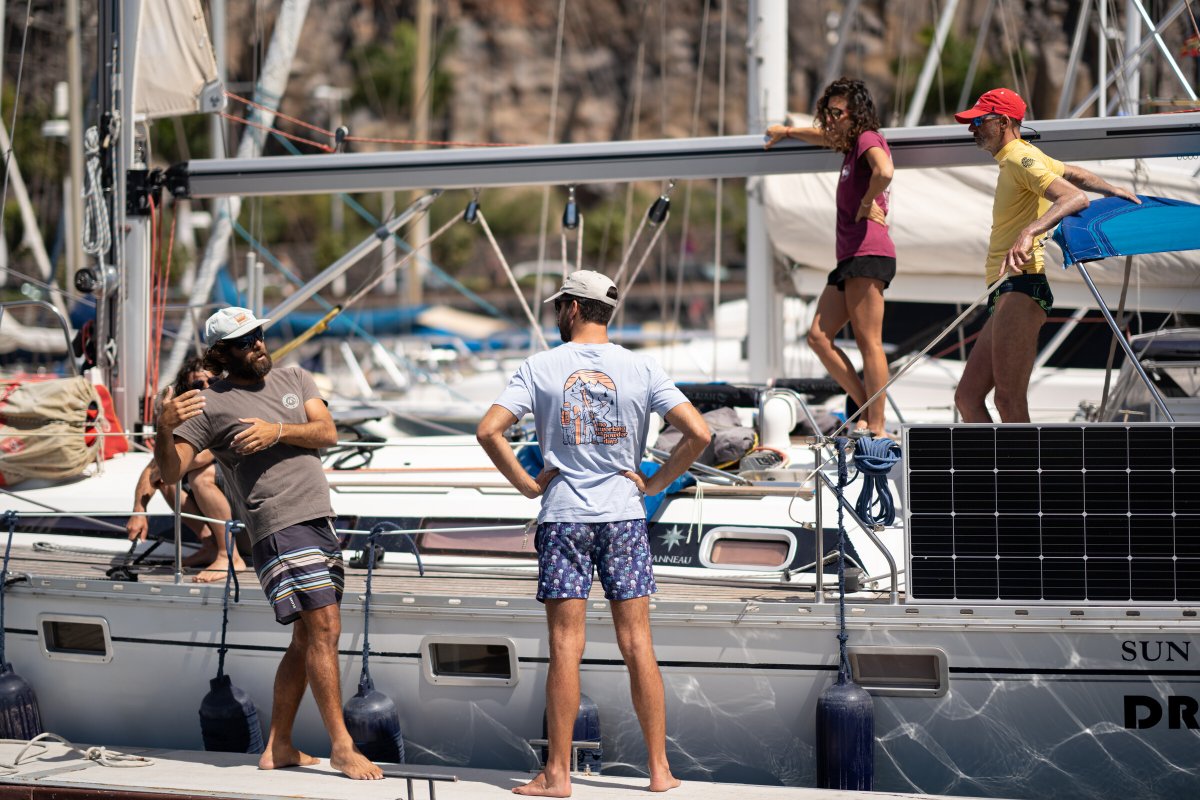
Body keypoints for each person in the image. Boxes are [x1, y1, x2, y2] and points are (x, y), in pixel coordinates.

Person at [476, 270, 709, 797]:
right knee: (637, 644)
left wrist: (529, 485)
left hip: (565, 519)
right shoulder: (642, 367)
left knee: (565, 647)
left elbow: (488, 429)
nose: (557, 314)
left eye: (560, 306)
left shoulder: (539, 366)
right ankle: (659, 771)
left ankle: (558, 775)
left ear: (574, 310)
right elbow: (699, 432)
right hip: (625, 517)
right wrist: (655, 481)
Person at [154, 307, 382, 781]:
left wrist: (276, 431)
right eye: (244, 341)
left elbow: (328, 432)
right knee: (325, 629)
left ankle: (278, 745)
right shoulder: (208, 403)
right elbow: (172, 472)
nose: (257, 344)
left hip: (319, 518)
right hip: (277, 524)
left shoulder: (295, 377)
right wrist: (162, 424)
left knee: (306, 638)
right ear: (221, 353)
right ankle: (341, 746)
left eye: (258, 334)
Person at [951, 88, 1140, 423]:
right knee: (967, 398)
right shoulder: (1024, 157)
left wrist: (1029, 232)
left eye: (980, 120)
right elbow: (1072, 173)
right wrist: (1110, 188)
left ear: (1004, 121)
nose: (973, 128)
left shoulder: (1020, 159)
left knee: (1008, 401)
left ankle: (1024, 475)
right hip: (1005, 289)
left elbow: (1074, 197)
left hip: (1023, 287)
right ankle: (997, 472)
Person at [764, 77, 896, 437]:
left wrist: (868, 203)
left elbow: (884, 170)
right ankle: (866, 406)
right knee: (818, 337)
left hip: (868, 252)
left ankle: (878, 424)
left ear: (857, 115)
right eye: (829, 114)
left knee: (869, 341)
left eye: (838, 113)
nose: (832, 121)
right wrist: (788, 131)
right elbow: (821, 137)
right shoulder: (850, 145)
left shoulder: (868, 139)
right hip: (850, 257)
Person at [126, 357, 246, 582]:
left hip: (246, 504)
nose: (207, 389)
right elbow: (154, 467)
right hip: (226, 510)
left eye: (214, 381)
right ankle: (210, 546)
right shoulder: (188, 422)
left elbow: (202, 457)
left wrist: (164, 468)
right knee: (166, 478)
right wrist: (139, 510)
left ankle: (228, 555)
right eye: (198, 386)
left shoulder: (229, 410)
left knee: (199, 476)